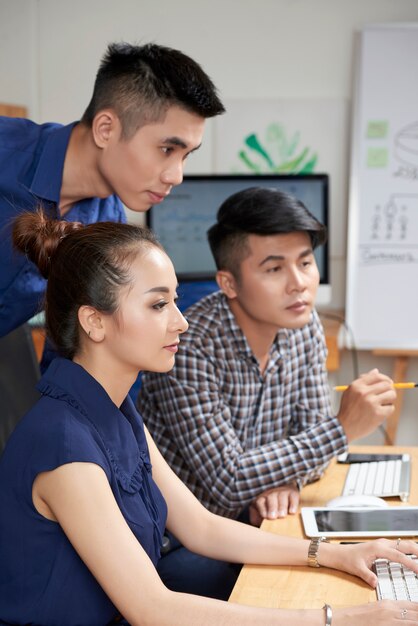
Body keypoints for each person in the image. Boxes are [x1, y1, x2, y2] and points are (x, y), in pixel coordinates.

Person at [0, 210, 416, 626]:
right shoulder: (65, 445)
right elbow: (154, 610)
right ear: (94, 321)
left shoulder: (116, 411)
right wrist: (340, 619)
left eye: (175, 301)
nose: (181, 322)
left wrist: (333, 553)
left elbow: (201, 527)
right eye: (158, 304)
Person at [137, 187, 397, 589]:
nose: (299, 284)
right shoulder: (191, 346)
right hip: (183, 544)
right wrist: (342, 429)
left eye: (306, 262)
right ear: (229, 283)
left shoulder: (304, 325)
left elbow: (308, 439)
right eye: (275, 269)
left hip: (258, 521)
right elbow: (226, 481)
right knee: (306, 582)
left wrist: (285, 481)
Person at [0, 41, 224, 362]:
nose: (176, 176)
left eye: (186, 155)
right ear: (106, 129)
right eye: (166, 150)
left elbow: (71, 357)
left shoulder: (108, 230)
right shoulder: (5, 152)